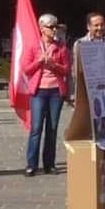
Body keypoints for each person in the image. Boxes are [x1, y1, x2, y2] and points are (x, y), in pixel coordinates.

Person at [22, 13, 72, 177]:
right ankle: (31, 164)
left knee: (52, 128)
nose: (54, 29)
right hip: (39, 91)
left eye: (56, 26)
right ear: (42, 28)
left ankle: (49, 164)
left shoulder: (61, 47)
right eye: (51, 27)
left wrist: (53, 65)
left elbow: (66, 69)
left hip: (56, 91)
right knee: (36, 128)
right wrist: (39, 61)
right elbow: (26, 69)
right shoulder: (33, 46)